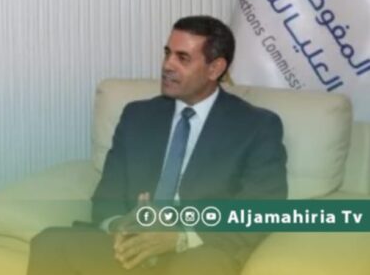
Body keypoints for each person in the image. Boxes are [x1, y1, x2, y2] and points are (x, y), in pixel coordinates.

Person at [27, 16, 287, 275]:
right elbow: (108, 194)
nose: (167, 65)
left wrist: (180, 236)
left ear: (215, 68)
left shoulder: (255, 126)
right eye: (167, 53)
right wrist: (121, 225)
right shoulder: (137, 116)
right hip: (130, 244)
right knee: (50, 243)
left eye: (182, 58)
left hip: (198, 250)